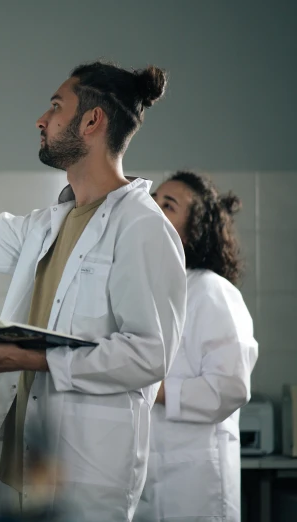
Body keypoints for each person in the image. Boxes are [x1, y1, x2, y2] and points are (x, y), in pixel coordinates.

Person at [0, 61, 187, 521]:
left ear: (92, 121)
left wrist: (28, 358)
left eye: (55, 107)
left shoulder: (143, 228)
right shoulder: (50, 223)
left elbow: (149, 356)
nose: (41, 120)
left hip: (86, 475)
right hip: (20, 468)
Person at [135, 172, 259, 522]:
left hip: (196, 488)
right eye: (154, 199)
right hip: (149, 481)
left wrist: (152, 389)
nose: (153, 208)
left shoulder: (211, 291)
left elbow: (229, 389)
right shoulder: (147, 292)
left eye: (168, 205)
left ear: (194, 230)